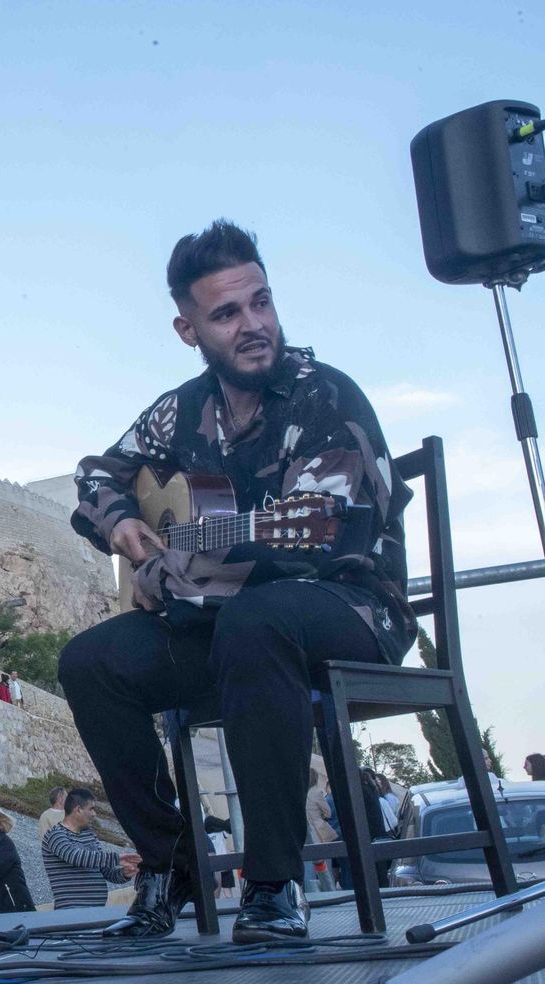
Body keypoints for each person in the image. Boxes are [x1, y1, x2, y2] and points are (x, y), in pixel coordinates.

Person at [58, 220, 414, 943]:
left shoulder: (325, 397)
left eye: (262, 303)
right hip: (232, 626)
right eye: (227, 313)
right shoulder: (179, 410)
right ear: (188, 329)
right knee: (91, 662)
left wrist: (175, 569)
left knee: (262, 620)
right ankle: (174, 860)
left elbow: (317, 532)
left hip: (351, 608)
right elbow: (97, 472)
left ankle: (274, 885)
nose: (254, 325)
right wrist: (124, 524)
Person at [42, 788, 139, 909]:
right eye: (91, 809)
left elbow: (106, 871)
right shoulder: (55, 835)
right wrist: (116, 858)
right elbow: (76, 857)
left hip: (96, 911)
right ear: (78, 810)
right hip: (71, 912)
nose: (94, 814)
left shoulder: (90, 835)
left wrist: (124, 873)